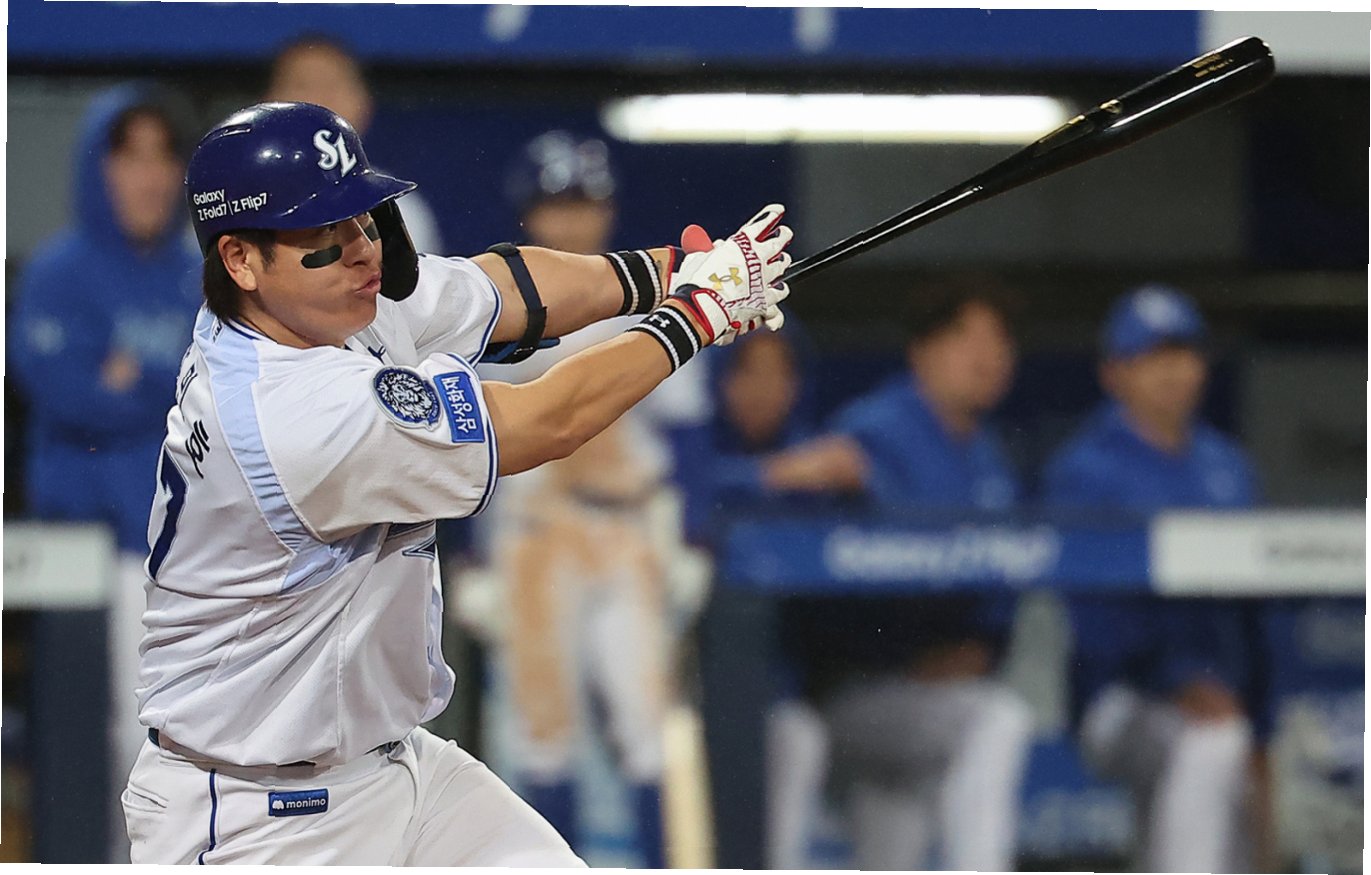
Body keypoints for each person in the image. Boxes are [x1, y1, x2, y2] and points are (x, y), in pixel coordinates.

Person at [121, 100, 791, 865]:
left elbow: (505, 286)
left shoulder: (325, 307)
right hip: (258, 812)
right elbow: (543, 420)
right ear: (240, 259)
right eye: (325, 233)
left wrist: (671, 271)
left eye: (363, 218)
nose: (362, 250)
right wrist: (695, 317)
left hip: (396, 768)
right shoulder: (291, 411)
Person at [463, 130, 710, 866]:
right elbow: (459, 441)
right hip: (533, 536)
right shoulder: (494, 307)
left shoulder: (648, 300)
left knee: (644, 724)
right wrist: (469, 555)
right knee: (542, 731)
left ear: (608, 210)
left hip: (628, 531)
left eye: (585, 203)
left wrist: (694, 538)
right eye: (556, 204)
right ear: (529, 213)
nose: (572, 220)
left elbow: (689, 436)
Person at [755, 281, 1035, 871]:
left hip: (925, 702)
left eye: (1000, 340)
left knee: (893, 846)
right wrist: (898, 656)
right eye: (968, 337)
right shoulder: (873, 430)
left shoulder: (989, 456)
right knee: (998, 721)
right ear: (922, 350)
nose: (988, 355)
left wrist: (976, 648)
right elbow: (813, 578)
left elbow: (1009, 587)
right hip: (853, 691)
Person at [10, 83, 202, 861]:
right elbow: (60, 389)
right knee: (100, 753)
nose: (148, 177)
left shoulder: (201, 275)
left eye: (162, 157)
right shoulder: (57, 272)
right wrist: (163, 386)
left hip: (194, 547)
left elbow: (221, 401)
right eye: (129, 156)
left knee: (188, 747)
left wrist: (131, 376)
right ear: (100, 165)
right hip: (88, 554)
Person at [1042, 285, 1261, 873]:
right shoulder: (1084, 470)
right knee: (1207, 744)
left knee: (1226, 782)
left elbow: (1252, 611)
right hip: (1116, 697)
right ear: (1114, 373)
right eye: (1152, 356)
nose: (1172, 371)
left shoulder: (1228, 468)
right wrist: (1179, 678)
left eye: (1183, 353)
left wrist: (1256, 715)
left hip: (1221, 698)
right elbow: (1091, 620)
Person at [264, 33, 444, 255]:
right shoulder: (242, 204)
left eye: (333, 85)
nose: (321, 99)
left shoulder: (398, 209)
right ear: (266, 104)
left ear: (364, 102)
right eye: (304, 85)